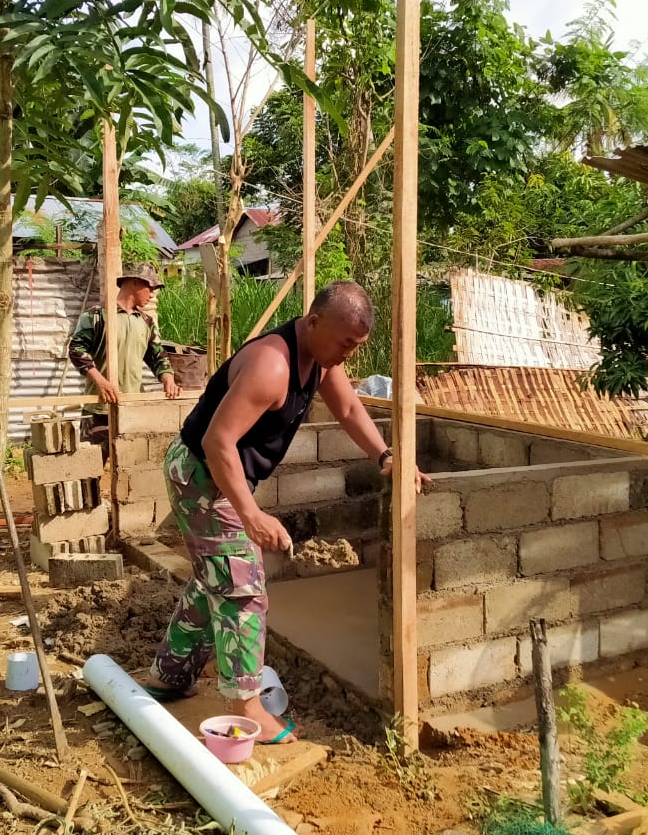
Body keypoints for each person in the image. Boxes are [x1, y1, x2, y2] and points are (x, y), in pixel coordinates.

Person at [145, 280, 426, 744]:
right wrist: (252, 515)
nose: (348, 356)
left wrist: (385, 456)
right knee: (242, 587)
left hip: (218, 472)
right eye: (345, 343)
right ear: (314, 322)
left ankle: (170, 674)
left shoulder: (319, 358)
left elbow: (350, 407)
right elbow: (218, 443)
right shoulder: (271, 365)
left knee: (215, 576)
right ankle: (244, 704)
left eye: (356, 347)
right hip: (200, 474)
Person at [68, 262, 180, 445]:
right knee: (91, 469)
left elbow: (158, 356)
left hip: (132, 406)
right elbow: (77, 349)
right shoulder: (97, 317)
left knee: (131, 467)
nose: (152, 294)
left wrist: (168, 378)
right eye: (150, 287)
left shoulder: (146, 322)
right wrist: (100, 380)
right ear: (134, 282)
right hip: (99, 408)